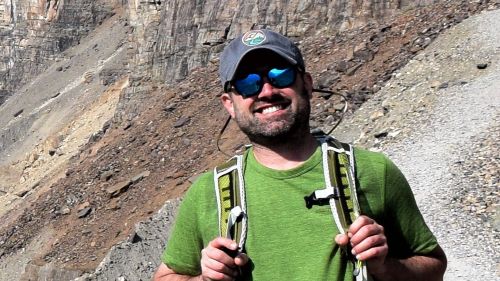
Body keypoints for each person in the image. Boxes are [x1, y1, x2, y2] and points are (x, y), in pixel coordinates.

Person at [154, 29, 447, 281]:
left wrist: (385, 268)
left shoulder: (372, 171)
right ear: (229, 104)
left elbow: (434, 267)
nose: (267, 90)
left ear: (306, 84)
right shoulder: (207, 193)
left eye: (280, 75)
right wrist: (206, 277)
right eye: (248, 83)